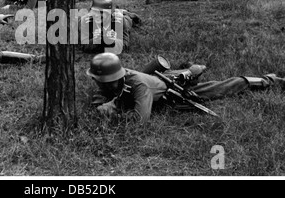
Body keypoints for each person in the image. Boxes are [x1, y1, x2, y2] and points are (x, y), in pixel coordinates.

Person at [86, 52, 285, 123]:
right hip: (159, 79)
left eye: (100, 81)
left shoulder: (138, 86)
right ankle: (190, 68)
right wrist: (103, 106)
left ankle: (270, 80)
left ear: (113, 78)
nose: (97, 83)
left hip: (169, 90)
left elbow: (140, 121)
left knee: (221, 88)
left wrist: (114, 112)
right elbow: (100, 96)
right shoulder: (110, 78)